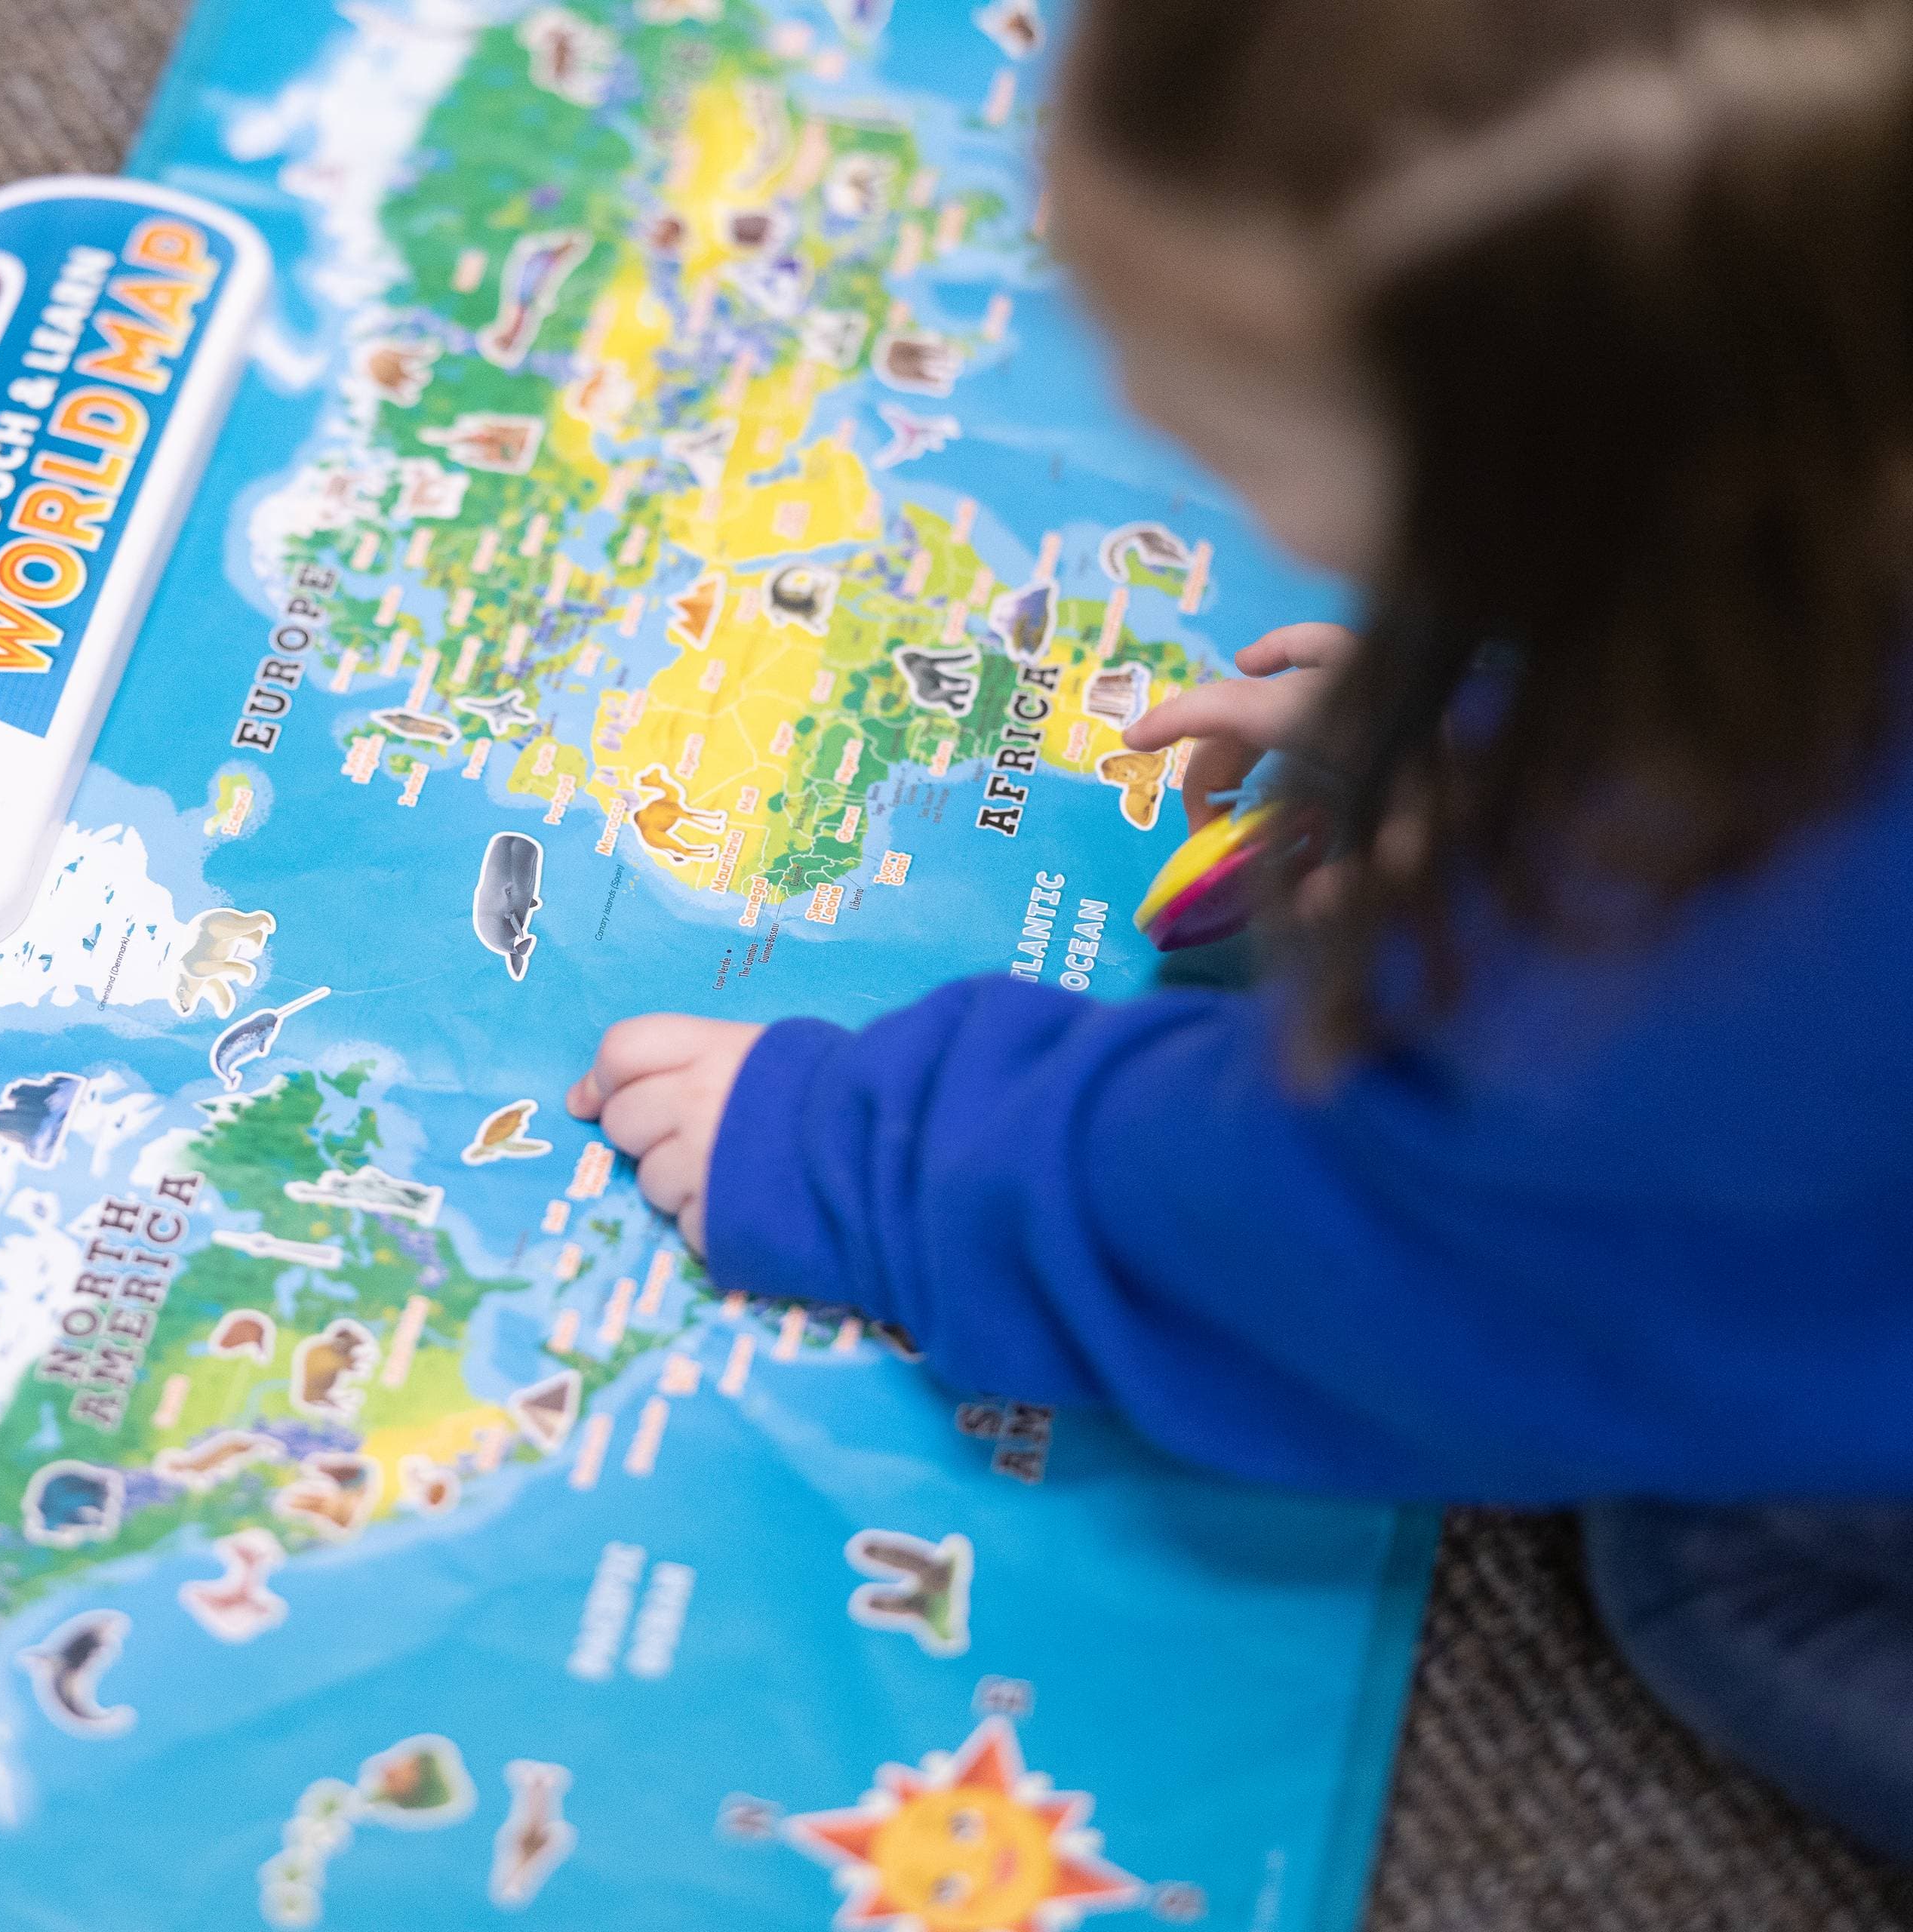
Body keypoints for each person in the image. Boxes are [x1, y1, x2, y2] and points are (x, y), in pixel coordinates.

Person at [568, 0, 1913, 1862]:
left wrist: (870, 1145)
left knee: (1703, 1565)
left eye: (1226, 427)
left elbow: (1309, 1238)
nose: (1141, 426)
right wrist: (1509, 720)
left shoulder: (1611, 1004)